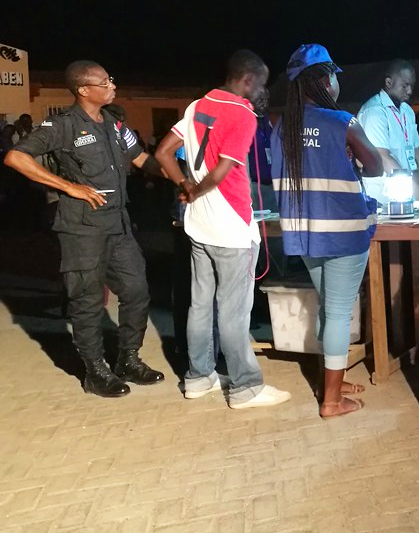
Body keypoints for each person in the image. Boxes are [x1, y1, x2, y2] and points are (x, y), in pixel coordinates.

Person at [4, 61, 166, 397]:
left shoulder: (114, 124)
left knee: (136, 290)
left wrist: (181, 177)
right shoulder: (63, 125)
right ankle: (95, 371)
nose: (112, 86)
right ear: (83, 89)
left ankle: (128, 359)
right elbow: (17, 158)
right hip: (83, 229)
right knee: (88, 301)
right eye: (105, 81)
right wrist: (68, 186)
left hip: (118, 225)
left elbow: (142, 160)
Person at [154, 50, 291, 409]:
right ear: (247, 80)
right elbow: (224, 170)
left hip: (198, 225)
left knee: (200, 305)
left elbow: (164, 153)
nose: (262, 91)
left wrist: (184, 186)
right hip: (232, 228)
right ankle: (245, 387)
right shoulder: (242, 114)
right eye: (261, 83)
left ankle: (199, 378)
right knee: (233, 311)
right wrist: (195, 189)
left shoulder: (197, 105)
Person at [270, 44, 383, 418]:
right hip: (344, 232)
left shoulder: (282, 126)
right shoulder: (341, 121)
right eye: (332, 75)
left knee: (327, 309)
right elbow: (376, 165)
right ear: (322, 79)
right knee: (337, 313)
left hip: (305, 233)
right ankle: (331, 401)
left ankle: (331, 381)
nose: (336, 83)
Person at [357, 59, 419, 202]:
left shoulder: (407, 111)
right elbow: (382, 157)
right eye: (405, 85)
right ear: (389, 82)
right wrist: (417, 192)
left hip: (403, 192)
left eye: (412, 86)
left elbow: (418, 153)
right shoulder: (374, 112)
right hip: (380, 196)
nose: (410, 91)